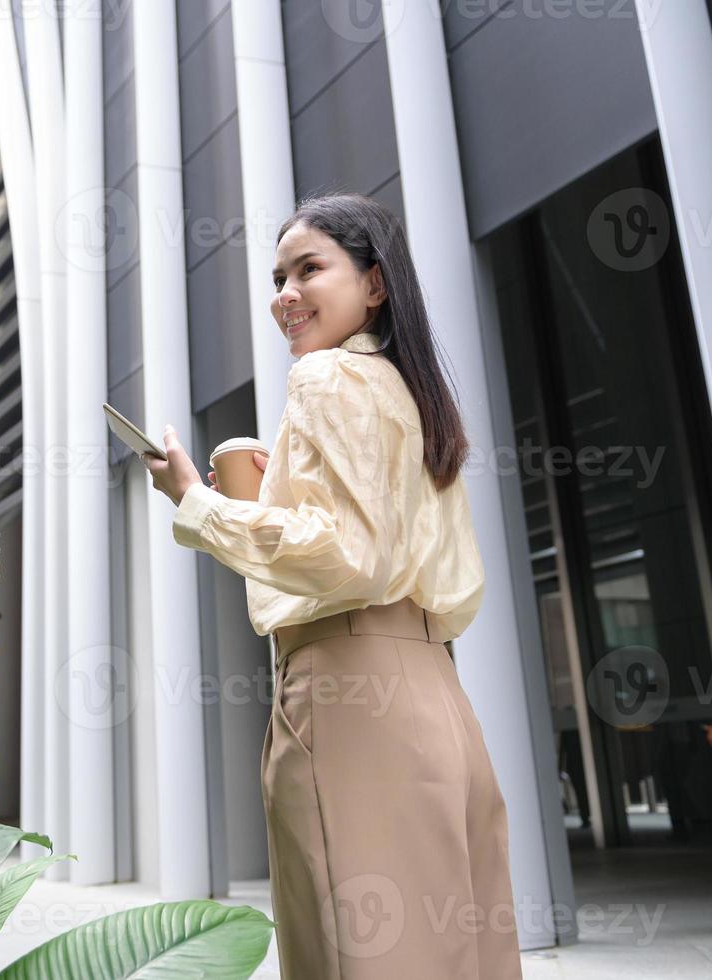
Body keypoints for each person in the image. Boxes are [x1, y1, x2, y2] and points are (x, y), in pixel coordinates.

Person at [144, 193, 521, 979]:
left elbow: (350, 556)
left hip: (347, 692)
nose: (284, 294)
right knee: (455, 955)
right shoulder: (409, 391)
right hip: (433, 690)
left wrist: (198, 502)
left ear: (374, 285)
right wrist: (263, 492)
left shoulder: (324, 379)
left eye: (308, 269)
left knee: (358, 955)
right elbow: (382, 549)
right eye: (277, 276)